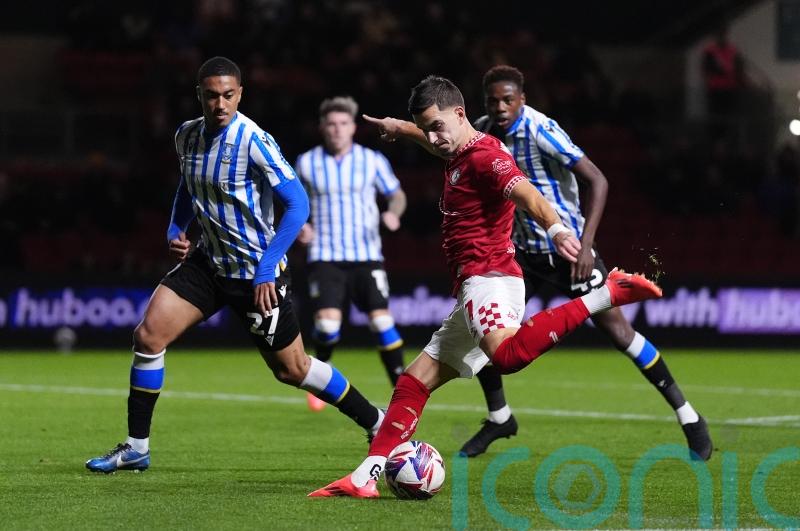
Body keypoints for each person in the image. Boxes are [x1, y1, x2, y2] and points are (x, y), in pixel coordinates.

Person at [308, 75, 662, 497]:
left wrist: (555, 230)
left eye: (437, 126)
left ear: (460, 115)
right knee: (413, 382)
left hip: (490, 279)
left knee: (507, 357)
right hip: (472, 288)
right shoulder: (457, 152)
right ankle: (365, 477)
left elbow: (526, 193)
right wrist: (402, 129)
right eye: (426, 127)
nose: (434, 137)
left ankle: (607, 294)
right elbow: (434, 141)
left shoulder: (486, 155)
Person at [85, 57, 384, 473]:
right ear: (200, 96)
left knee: (293, 369)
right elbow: (188, 187)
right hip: (208, 263)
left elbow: (298, 205)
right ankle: (137, 448)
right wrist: (177, 227)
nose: (220, 103)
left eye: (228, 95)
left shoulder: (254, 140)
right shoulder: (186, 136)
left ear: (240, 94)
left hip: (256, 273)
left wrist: (267, 269)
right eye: (211, 95)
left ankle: (376, 421)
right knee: (149, 336)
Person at [456, 65, 713, 460]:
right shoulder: (482, 130)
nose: (501, 106)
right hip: (521, 252)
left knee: (620, 335)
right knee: (487, 332)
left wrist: (587, 244)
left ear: (522, 99)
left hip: (569, 251)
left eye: (509, 99)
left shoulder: (542, 130)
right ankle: (499, 417)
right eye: (494, 100)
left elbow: (598, 179)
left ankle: (690, 417)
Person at [294, 96, 407, 412]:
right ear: (322, 128)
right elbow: (293, 201)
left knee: (382, 323)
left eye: (343, 124)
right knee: (328, 326)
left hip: (367, 253)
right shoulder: (306, 162)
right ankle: (320, 373)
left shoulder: (372, 160)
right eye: (331, 124)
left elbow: (396, 195)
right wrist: (302, 225)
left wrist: (393, 213)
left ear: (353, 128)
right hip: (325, 254)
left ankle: (402, 392)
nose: (337, 129)